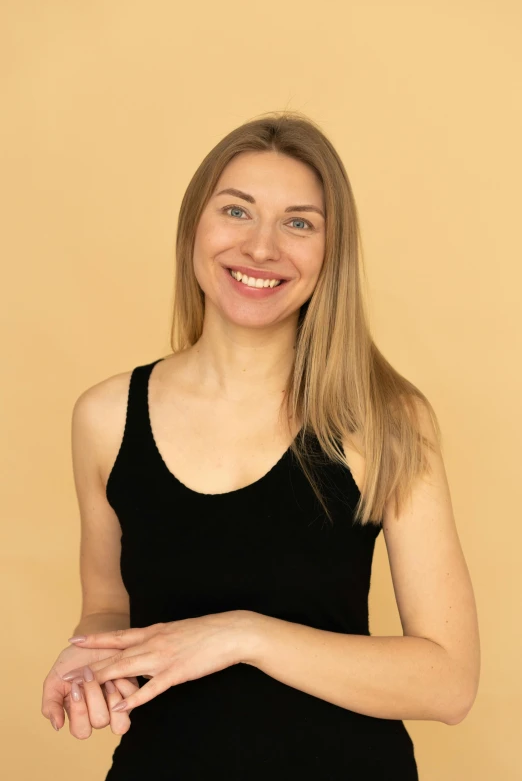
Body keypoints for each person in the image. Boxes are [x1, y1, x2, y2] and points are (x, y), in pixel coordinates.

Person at [41, 111, 480, 779]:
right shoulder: (104, 418)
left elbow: (449, 681)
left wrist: (242, 635)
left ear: (331, 254)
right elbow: (108, 605)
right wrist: (92, 659)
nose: (261, 247)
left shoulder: (385, 420)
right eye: (237, 211)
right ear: (194, 226)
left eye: (298, 222)